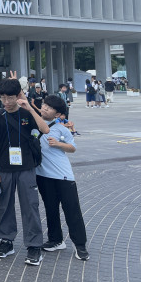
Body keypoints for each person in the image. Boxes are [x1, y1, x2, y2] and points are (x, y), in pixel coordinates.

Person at [0, 79, 51, 266]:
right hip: (4, 168)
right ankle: (6, 240)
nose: (6, 101)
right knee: (5, 205)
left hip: (26, 167)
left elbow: (45, 129)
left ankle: (34, 245)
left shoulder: (26, 114)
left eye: (11, 97)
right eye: (3, 98)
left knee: (30, 205)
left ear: (18, 96)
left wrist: (30, 108)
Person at [36, 95, 89, 261]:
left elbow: (72, 148)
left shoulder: (61, 129)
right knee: (51, 209)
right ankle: (56, 240)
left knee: (72, 210)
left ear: (58, 114)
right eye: (44, 105)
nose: (45, 108)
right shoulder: (35, 124)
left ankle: (80, 245)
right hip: (43, 176)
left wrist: (58, 144)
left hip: (63, 176)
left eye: (49, 108)